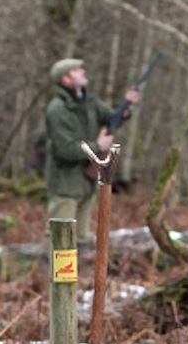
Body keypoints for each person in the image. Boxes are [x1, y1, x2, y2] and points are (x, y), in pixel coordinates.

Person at [44, 58, 140, 248]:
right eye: (76, 70)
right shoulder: (57, 110)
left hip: (85, 184)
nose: (82, 71)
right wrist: (97, 146)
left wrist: (126, 106)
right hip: (66, 184)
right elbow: (66, 149)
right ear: (66, 79)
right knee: (61, 242)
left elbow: (112, 118)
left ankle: (74, 279)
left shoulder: (90, 103)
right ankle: (59, 280)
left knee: (80, 239)